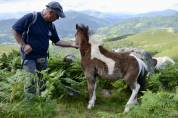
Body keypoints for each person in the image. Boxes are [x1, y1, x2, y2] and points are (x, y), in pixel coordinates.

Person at [12, 1, 78, 96]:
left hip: (42, 57)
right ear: (51, 12)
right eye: (57, 16)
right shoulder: (32, 18)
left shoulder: (51, 25)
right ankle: (31, 105)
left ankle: (43, 102)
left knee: (43, 81)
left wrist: (72, 44)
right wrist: (24, 45)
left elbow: (57, 41)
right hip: (29, 57)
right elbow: (15, 30)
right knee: (30, 82)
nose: (57, 19)